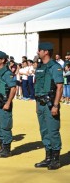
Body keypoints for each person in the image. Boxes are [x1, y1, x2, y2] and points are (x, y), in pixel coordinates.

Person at [34, 42, 63, 170]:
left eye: (39, 50)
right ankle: (48, 157)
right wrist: (36, 104)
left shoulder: (55, 67)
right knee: (44, 131)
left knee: (53, 131)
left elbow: (60, 87)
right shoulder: (40, 67)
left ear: (46, 52)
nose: (37, 52)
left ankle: (56, 159)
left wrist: (56, 105)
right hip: (40, 103)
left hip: (50, 104)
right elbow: (37, 88)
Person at [0, 51, 16, 158]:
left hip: (4, 102)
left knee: (5, 126)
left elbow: (13, 88)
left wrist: (8, 102)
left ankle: (7, 149)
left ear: (3, 60)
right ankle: (1, 147)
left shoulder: (7, 73)